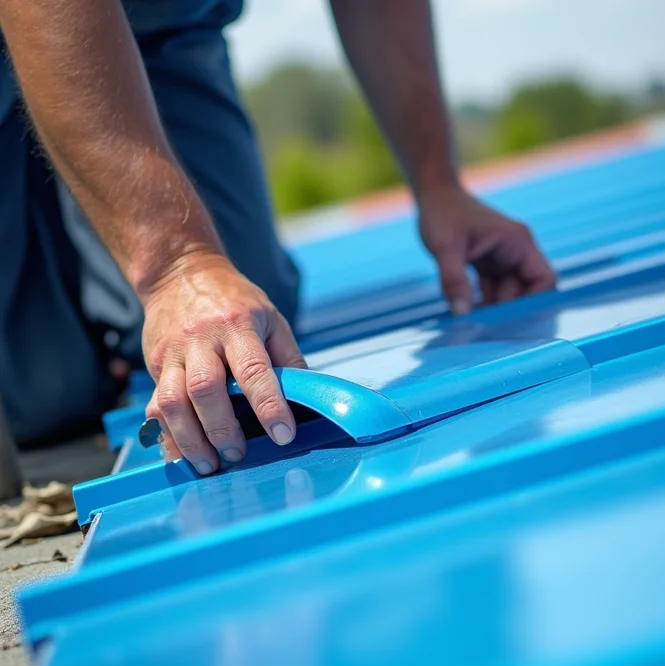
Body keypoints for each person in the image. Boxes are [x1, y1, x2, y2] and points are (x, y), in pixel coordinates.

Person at [0, 0, 555, 476]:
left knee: (245, 334)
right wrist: (178, 264)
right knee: (45, 399)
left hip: (155, 24)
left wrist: (439, 186)